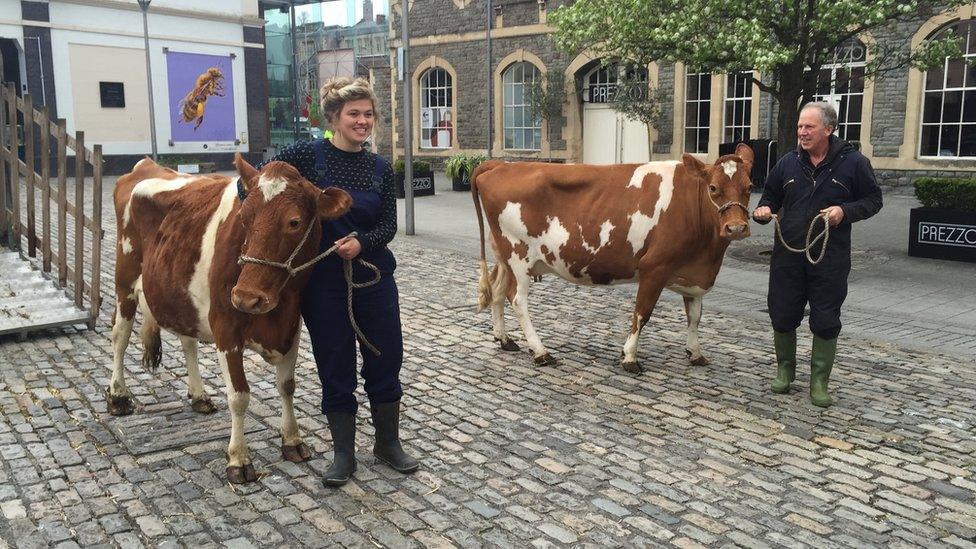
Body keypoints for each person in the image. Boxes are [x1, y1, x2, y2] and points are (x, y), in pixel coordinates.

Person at [262, 76, 418, 486]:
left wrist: (361, 242)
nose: (363, 121)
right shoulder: (308, 156)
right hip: (324, 284)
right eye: (354, 114)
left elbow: (388, 224)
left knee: (385, 356)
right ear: (334, 117)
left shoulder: (382, 168)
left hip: (374, 278)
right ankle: (343, 454)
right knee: (335, 362)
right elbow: (262, 182)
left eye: (368, 114)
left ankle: (388, 444)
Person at [752, 101, 883, 408]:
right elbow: (770, 197)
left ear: (829, 129)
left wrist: (845, 211)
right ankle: (785, 371)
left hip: (830, 257)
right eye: (800, 126)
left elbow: (874, 200)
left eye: (809, 127)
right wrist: (763, 210)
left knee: (825, 318)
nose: (802, 132)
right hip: (788, 255)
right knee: (782, 313)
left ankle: (819, 381)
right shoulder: (787, 163)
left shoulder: (853, 163)